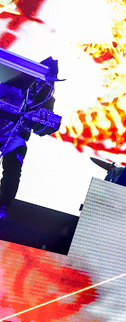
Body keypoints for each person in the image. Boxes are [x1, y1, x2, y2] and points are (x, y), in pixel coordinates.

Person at [0, 57, 58, 220]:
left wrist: (41, 121)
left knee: (13, 168)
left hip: (14, 136)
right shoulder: (16, 79)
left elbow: (43, 127)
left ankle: (3, 205)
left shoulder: (47, 95)